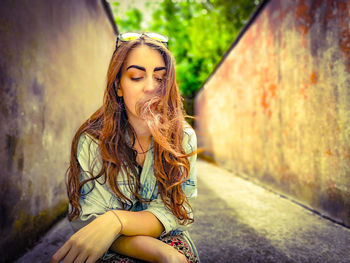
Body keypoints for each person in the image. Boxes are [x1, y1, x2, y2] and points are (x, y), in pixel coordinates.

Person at [50, 32, 199, 263]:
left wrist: (116, 221)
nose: (151, 87)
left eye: (160, 78)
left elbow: (173, 212)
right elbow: (92, 224)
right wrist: (157, 252)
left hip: (166, 236)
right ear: (118, 85)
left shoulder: (183, 138)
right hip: (110, 246)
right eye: (136, 76)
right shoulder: (92, 141)